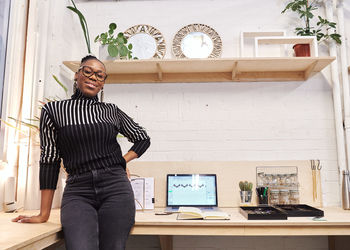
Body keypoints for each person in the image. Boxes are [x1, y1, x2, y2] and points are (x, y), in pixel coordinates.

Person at [12, 55, 151, 250]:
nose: (94, 77)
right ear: (77, 75)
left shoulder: (111, 111)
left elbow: (142, 138)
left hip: (115, 188)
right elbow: (49, 159)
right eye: (88, 71)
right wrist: (43, 214)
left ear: (103, 83)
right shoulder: (54, 110)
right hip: (78, 190)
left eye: (100, 75)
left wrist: (121, 161)